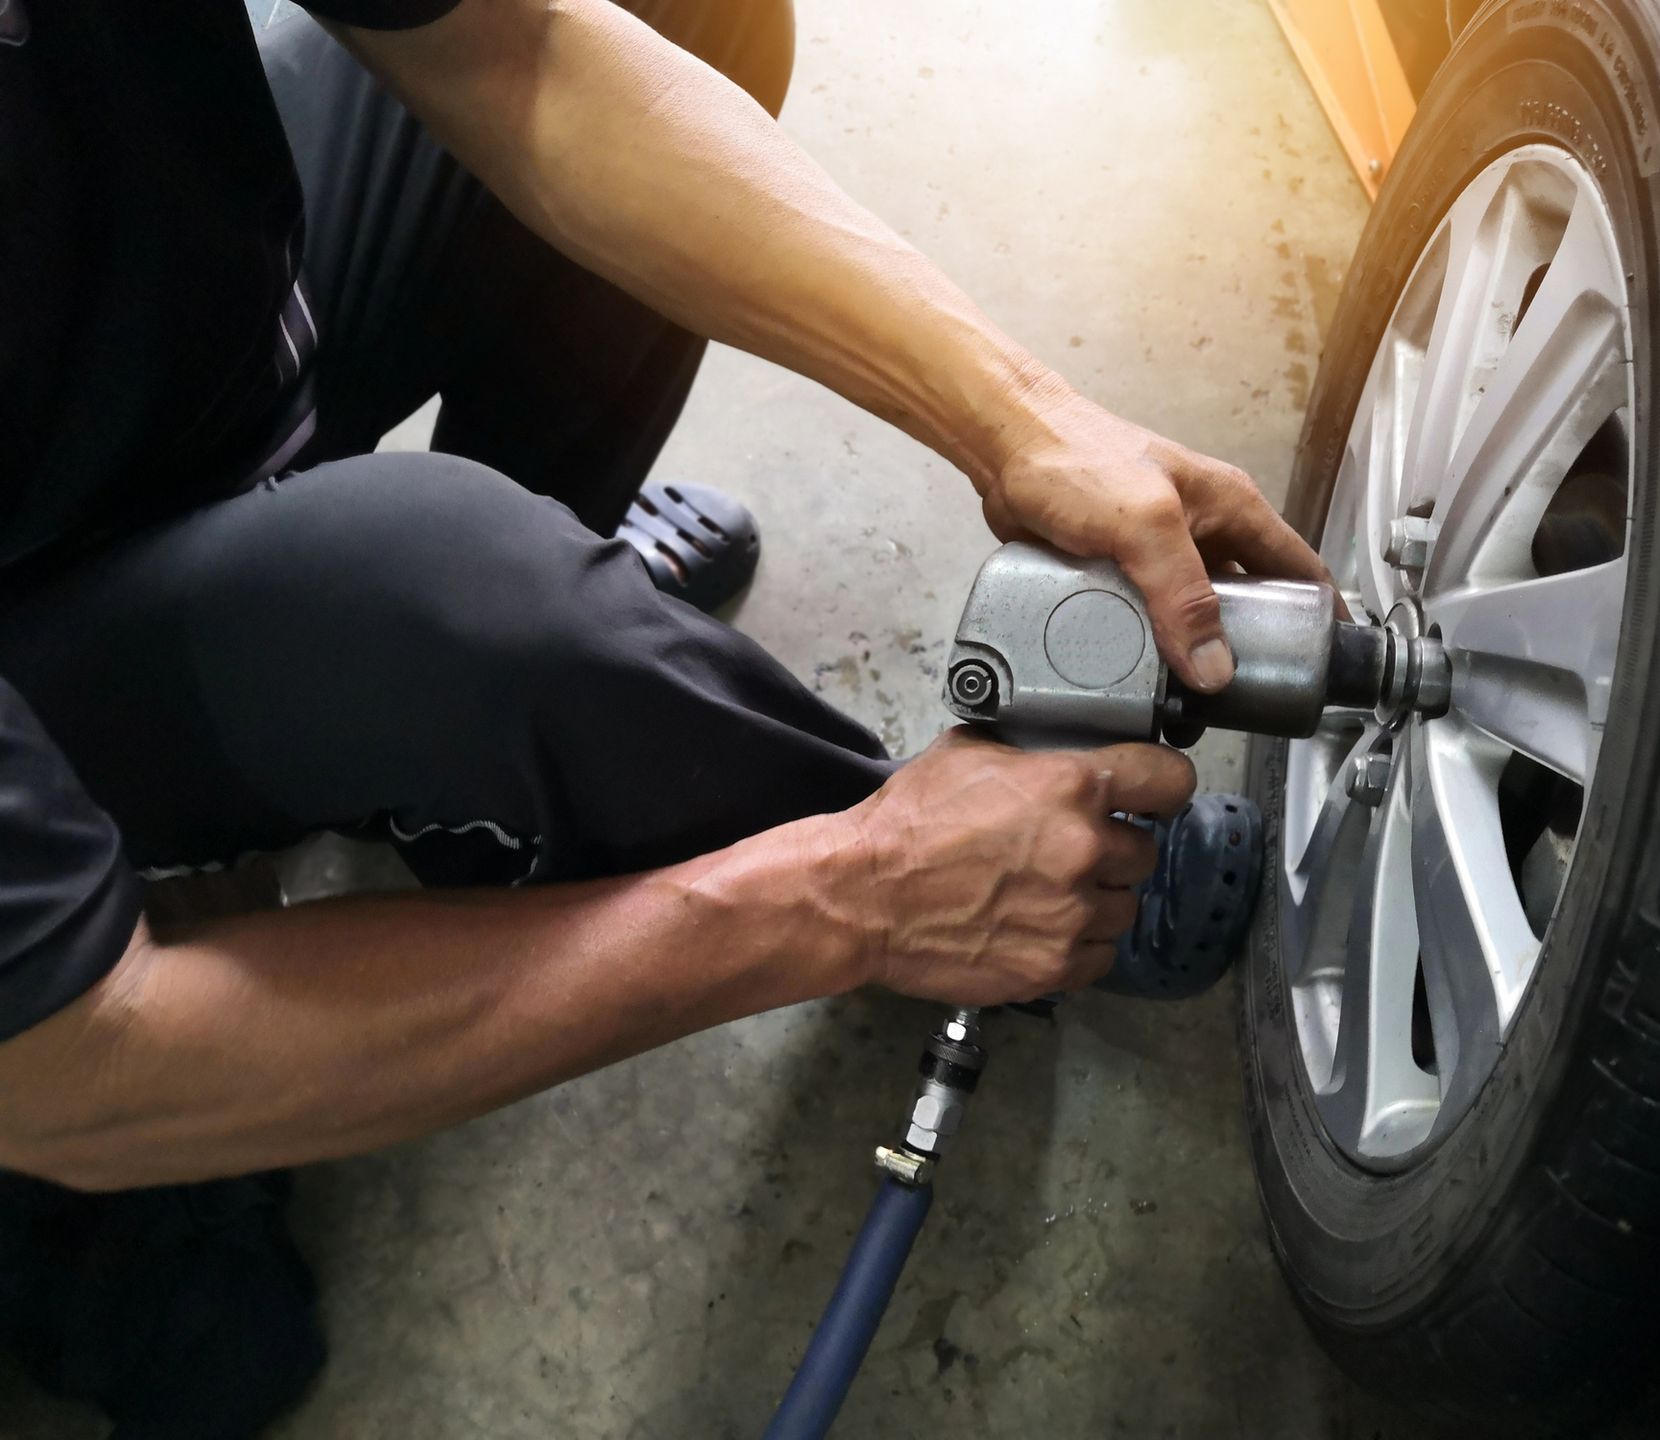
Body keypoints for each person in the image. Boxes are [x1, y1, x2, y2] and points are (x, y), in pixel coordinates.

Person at [0, 0, 1328, 1429]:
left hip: (166, 327)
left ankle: (489, 733)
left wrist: (1019, 414)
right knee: (445, 590)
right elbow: (85, 1066)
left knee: (685, 15)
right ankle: (875, 841)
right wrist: (856, 898)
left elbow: (511, 53)